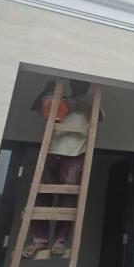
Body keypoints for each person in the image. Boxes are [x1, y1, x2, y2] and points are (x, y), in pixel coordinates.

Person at [23, 79, 94, 258]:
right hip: (52, 149)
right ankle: (39, 239)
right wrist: (48, 90)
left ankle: (60, 240)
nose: (78, 84)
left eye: (82, 82)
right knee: (41, 193)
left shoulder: (89, 101)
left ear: (87, 85)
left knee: (68, 195)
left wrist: (79, 104)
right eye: (75, 81)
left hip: (75, 152)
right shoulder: (61, 100)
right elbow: (35, 107)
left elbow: (99, 115)